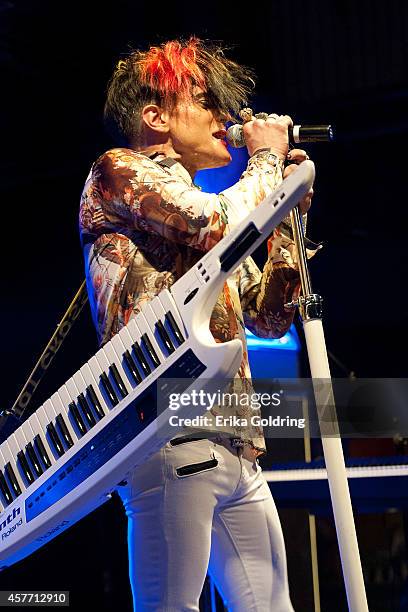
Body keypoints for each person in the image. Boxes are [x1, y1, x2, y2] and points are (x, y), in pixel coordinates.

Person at [79, 37, 315, 612]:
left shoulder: (210, 201)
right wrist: (263, 162)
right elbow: (214, 223)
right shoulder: (119, 171)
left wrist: (284, 218)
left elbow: (268, 313)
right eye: (204, 101)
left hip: (237, 446)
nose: (224, 117)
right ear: (155, 117)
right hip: (171, 434)